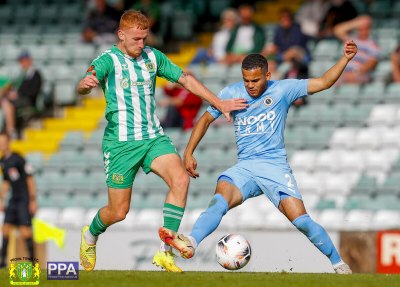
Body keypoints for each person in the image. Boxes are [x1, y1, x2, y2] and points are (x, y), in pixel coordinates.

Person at [159, 40, 358, 274]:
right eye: (246, 80)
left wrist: (345, 58)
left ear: (267, 75)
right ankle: (191, 242)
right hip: (245, 168)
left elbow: (324, 82)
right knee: (219, 199)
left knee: (302, 221)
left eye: (255, 80)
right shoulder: (231, 93)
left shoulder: (283, 89)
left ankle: (338, 264)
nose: (250, 86)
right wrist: (189, 151)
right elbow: (204, 119)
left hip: (274, 166)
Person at [77, 10, 248, 273]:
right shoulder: (107, 60)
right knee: (118, 211)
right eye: (136, 39)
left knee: (180, 179)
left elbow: (186, 79)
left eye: (144, 38)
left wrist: (219, 102)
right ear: (121, 35)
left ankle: (165, 252)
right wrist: (86, 85)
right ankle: (90, 235)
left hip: (153, 137)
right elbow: (85, 81)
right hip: (121, 144)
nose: (141, 44)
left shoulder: (152, 57)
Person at [0, 133, 37, 268]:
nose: (1, 144)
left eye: (3, 141)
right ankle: (2, 263)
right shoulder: (3, 161)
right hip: (13, 199)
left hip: (23, 199)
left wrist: (32, 200)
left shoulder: (18, 158)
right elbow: (6, 182)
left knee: (25, 231)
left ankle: (33, 263)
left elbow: (29, 179)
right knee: (5, 228)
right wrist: (2, 199)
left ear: (8, 142)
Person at [7, 51, 42, 139]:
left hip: (28, 100)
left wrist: (18, 94)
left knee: (8, 102)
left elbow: (33, 91)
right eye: (21, 61)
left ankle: (11, 129)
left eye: (23, 61)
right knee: (6, 100)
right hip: (20, 99)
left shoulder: (36, 75)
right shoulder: (22, 75)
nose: (22, 64)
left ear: (29, 61)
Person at [333, 15, 379, 84]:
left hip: (360, 74)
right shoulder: (352, 39)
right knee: (331, 80)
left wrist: (356, 72)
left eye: (365, 28)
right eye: (360, 28)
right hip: (344, 73)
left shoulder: (372, 45)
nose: (362, 31)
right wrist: (356, 23)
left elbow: (371, 63)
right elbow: (337, 30)